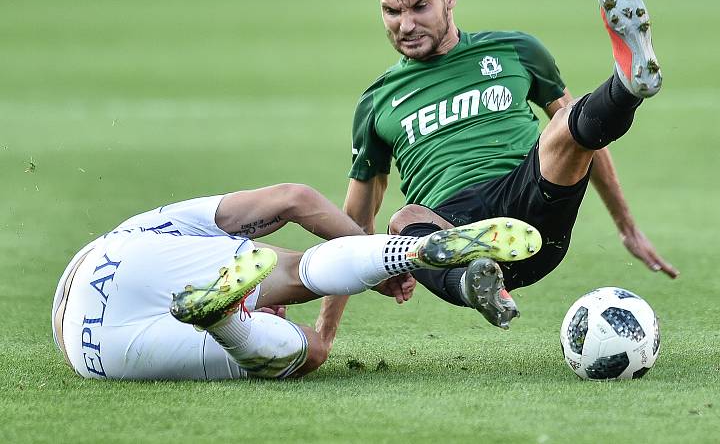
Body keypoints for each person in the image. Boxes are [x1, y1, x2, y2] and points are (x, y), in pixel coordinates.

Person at [337, 0, 679, 330]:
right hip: (450, 225)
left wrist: (627, 227)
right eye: (392, 11)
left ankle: (626, 84)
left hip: (531, 202)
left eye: (420, 6)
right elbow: (353, 231)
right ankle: (479, 284)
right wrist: (325, 333)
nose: (406, 24)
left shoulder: (515, 50)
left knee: (565, 124)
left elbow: (587, 142)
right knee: (404, 222)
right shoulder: (377, 101)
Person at [52, 183, 539, 380]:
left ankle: (225, 316)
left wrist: (378, 271)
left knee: (300, 308)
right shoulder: (166, 222)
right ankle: (415, 248)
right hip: (110, 314)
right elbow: (295, 198)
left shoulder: (152, 224)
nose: (283, 307)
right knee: (302, 307)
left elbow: (295, 200)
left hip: (93, 326)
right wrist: (381, 267)